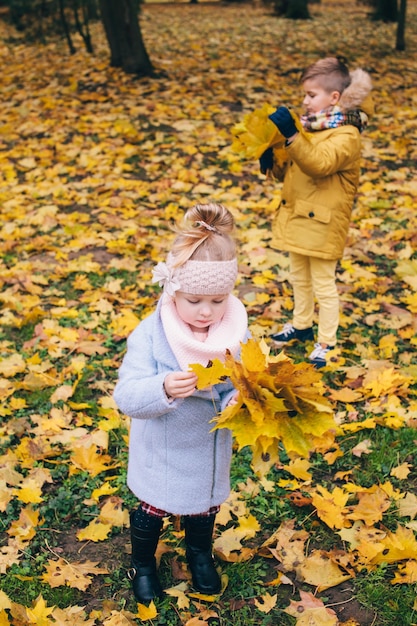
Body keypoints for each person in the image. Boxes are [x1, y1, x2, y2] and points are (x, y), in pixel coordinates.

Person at [113, 203, 248, 603]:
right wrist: (164, 388)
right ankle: (143, 564)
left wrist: (241, 398)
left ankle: (199, 554)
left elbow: (239, 381)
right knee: (153, 509)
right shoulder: (152, 334)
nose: (207, 312)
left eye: (218, 300)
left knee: (202, 509)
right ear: (172, 291)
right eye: (194, 301)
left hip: (207, 450)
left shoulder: (235, 331)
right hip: (163, 449)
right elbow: (126, 395)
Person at [260, 57, 373, 367]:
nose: (304, 101)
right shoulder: (310, 129)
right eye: (304, 95)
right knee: (299, 276)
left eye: (311, 95)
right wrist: (275, 158)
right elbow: (293, 173)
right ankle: (302, 324)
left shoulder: (346, 135)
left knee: (323, 283)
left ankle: (326, 341)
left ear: (334, 98)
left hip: (324, 222)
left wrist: (294, 137)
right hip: (299, 216)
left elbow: (320, 164)